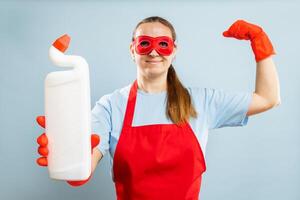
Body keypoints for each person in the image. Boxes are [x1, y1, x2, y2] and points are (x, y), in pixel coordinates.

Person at [36, 16, 281, 199]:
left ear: (174, 51)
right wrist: (67, 152)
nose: (154, 51)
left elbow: (267, 98)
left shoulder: (201, 102)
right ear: (133, 50)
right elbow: (83, 169)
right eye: (144, 43)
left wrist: (260, 44)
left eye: (163, 44)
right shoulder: (110, 106)